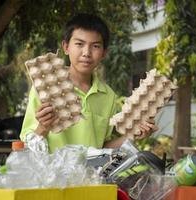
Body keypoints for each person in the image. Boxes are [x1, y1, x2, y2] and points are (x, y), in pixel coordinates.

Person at [20, 13, 158, 152]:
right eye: (79, 44)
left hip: (91, 174)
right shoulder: (45, 88)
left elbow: (101, 148)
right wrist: (43, 128)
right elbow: (26, 147)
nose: (86, 52)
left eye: (95, 46)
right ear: (66, 47)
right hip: (53, 173)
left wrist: (132, 135)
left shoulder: (108, 96)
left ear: (104, 53)